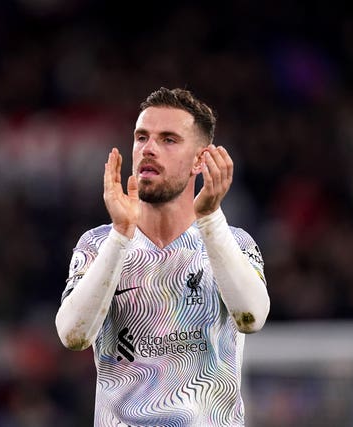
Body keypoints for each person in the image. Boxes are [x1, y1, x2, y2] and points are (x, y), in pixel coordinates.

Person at [55, 87, 270, 426]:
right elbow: (72, 335)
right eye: (142, 137)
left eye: (169, 139)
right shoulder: (98, 244)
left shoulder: (233, 244)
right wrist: (121, 234)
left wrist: (211, 218)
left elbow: (252, 317)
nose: (149, 149)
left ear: (200, 160)